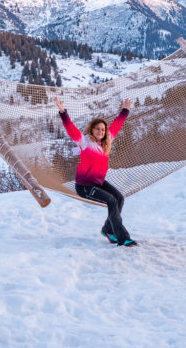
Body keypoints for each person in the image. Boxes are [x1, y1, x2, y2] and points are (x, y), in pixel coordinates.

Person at [54, 95, 137, 246]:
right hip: (85, 186)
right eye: (97, 129)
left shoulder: (107, 142)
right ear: (92, 130)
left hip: (98, 183)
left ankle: (107, 230)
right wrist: (63, 113)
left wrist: (125, 109)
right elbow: (71, 128)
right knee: (111, 201)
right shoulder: (84, 141)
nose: (100, 131)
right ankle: (123, 238)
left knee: (119, 199)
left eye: (103, 129)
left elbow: (117, 124)